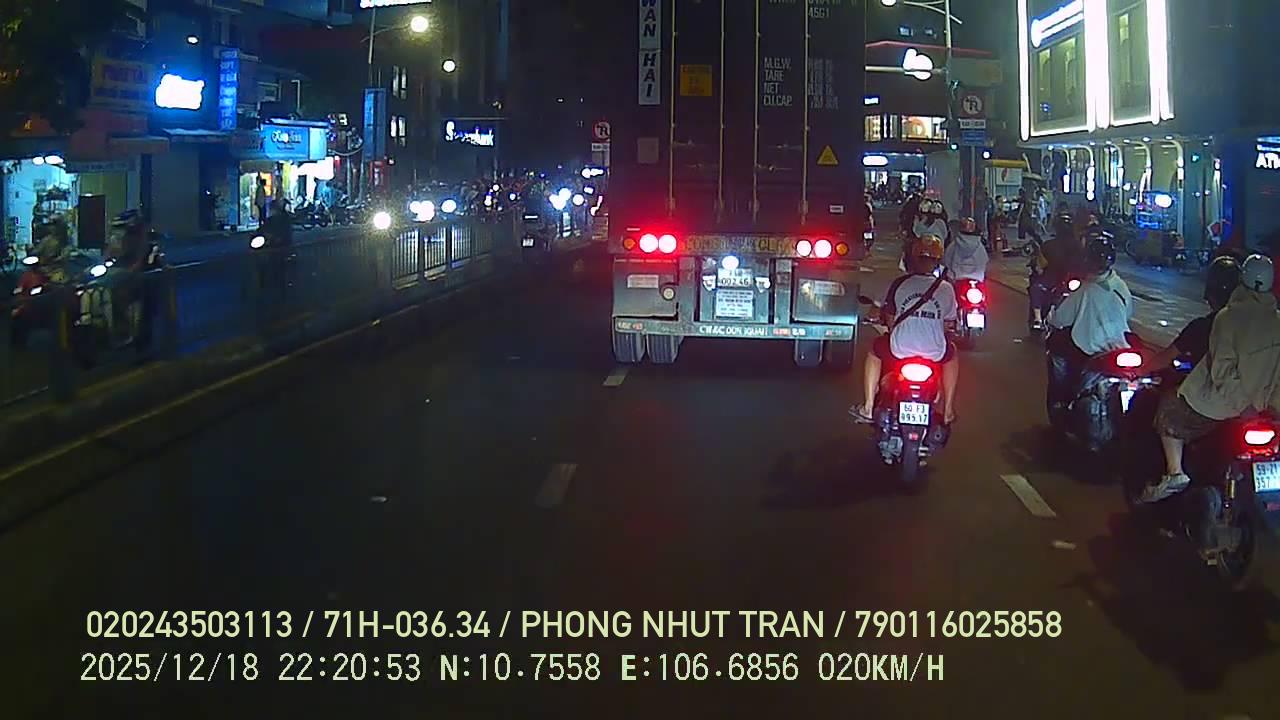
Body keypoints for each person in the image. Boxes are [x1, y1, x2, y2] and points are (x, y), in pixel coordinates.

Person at [1142, 255, 1280, 503]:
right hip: (1263, 406)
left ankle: (1175, 472)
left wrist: (1244, 406)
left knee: (1170, 408)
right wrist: (1269, 406)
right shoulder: (1276, 319)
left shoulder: (1227, 318)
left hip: (1225, 407)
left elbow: (1222, 371)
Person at [851, 234, 960, 426]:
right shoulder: (946, 289)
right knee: (952, 354)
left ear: (912, 258)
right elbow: (948, 323)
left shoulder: (900, 284)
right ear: (938, 261)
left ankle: (868, 407)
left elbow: (890, 318)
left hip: (900, 349)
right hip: (934, 352)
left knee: (875, 350)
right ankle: (948, 410)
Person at [1044, 232, 1134, 415]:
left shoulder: (1085, 290)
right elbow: (1129, 312)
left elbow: (1060, 319)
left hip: (1091, 348)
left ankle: (1061, 405)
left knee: (1058, 357)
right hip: (1120, 344)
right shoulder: (1120, 285)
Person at [1140, 255, 1243, 375]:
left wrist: (1139, 372)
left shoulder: (1201, 328)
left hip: (1205, 385)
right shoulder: (1252, 327)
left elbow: (1165, 358)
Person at [943, 217, 990, 282]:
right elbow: (985, 262)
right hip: (977, 280)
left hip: (956, 280)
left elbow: (946, 261)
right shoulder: (980, 247)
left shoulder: (953, 245)